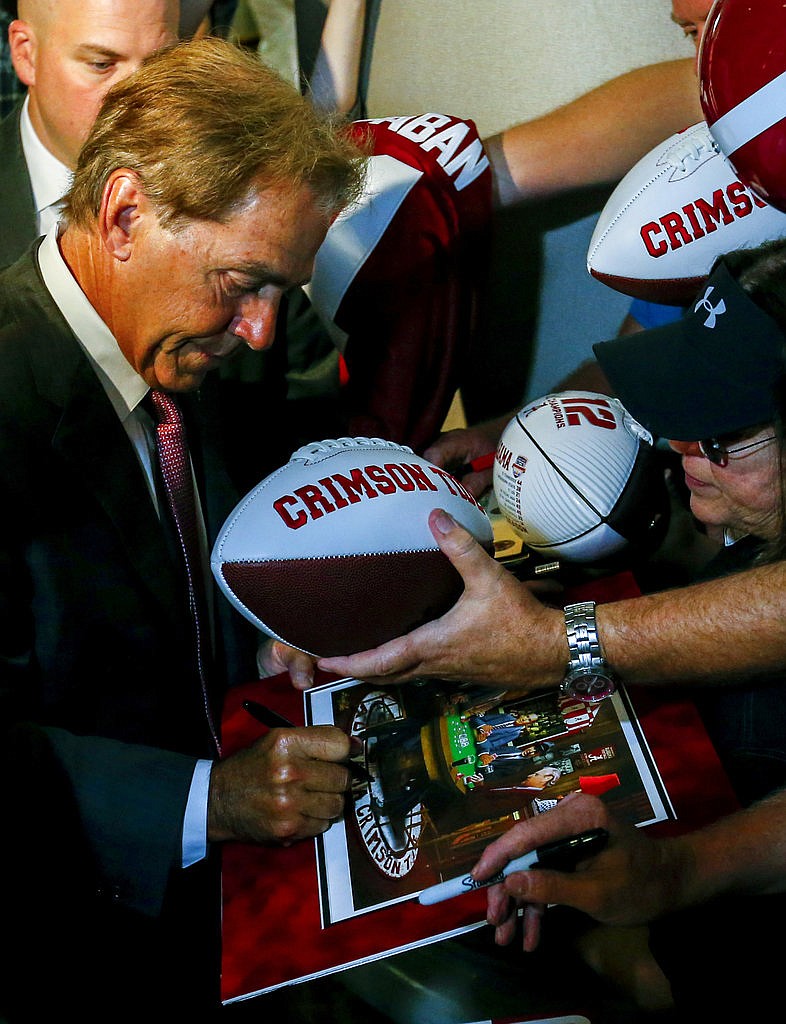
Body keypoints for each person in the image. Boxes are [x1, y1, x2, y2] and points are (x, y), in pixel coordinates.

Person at [0, 35, 364, 1022]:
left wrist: (268, 621)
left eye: (275, 293)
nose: (257, 331)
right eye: (241, 283)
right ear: (123, 213)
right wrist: (215, 801)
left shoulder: (180, 343)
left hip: (224, 925)